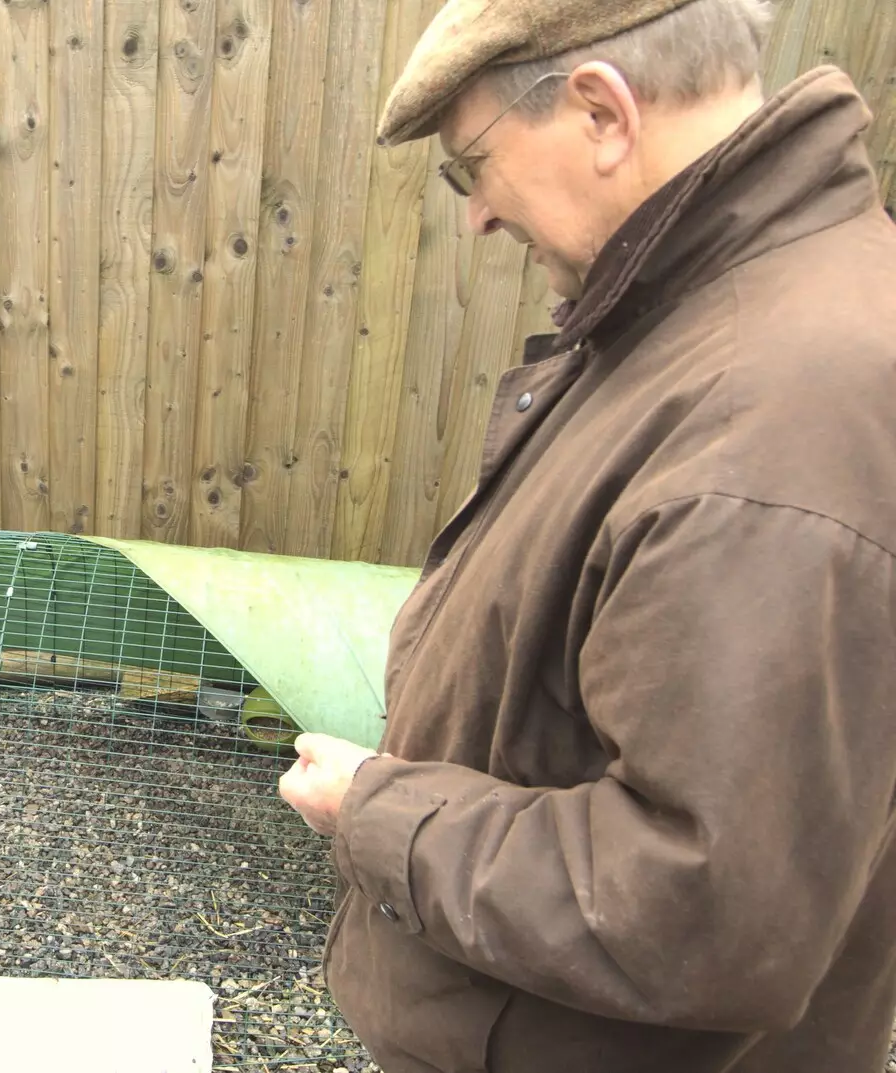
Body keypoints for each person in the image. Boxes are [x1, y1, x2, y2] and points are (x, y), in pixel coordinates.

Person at [276, 0, 896, 1071]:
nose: (473, 217)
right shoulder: (709, 315)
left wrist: (377, 811)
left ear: (601, 113)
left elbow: (701, 905)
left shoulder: (769, 432)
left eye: (469, 164)